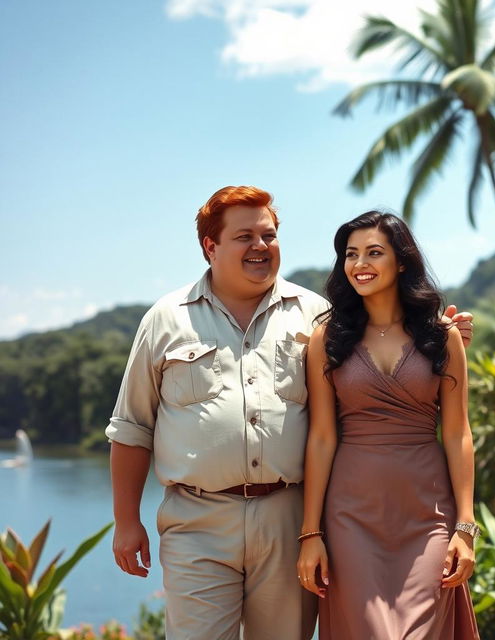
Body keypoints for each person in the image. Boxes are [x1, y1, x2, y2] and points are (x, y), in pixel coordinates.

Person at [106, 186, 474, 640]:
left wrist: (444, 338)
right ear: (210, 246)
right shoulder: (165, 319)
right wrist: (126, 521)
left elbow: (378, 375)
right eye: (245, 237)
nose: (261, 247)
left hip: (290, 515)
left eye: (269, 235)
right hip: (197, 521)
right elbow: (132, 427)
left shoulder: (319, 316)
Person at [297, 211, 480, 639]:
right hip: (350, 518)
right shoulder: (328, 337)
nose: (359, 263)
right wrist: (311, 533)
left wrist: (466, 527)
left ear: (401, 262)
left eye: (373, 253)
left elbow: (457, 434)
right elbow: (322, 438)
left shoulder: (442, 336)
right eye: (351, 254)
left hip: (427, 516)